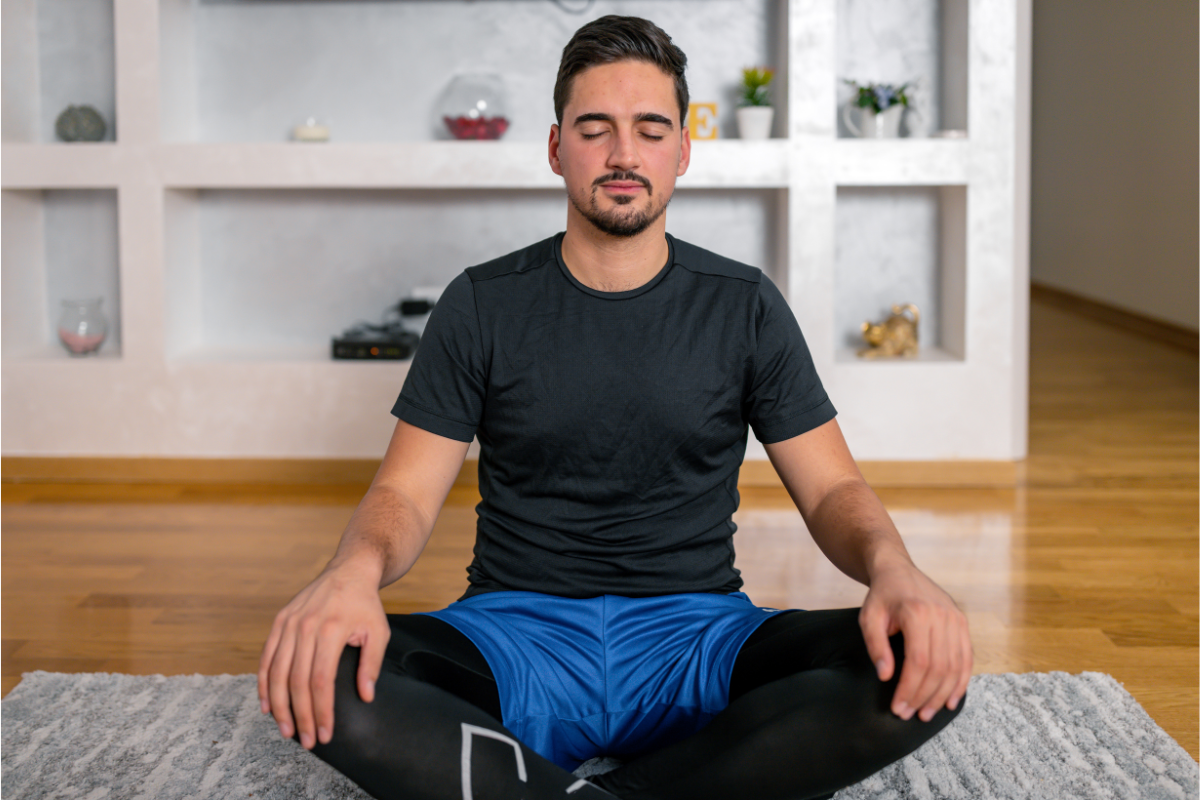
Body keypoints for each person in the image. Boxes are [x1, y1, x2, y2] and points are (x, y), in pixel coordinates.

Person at [258, 15, 971, 800]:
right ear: (558, 147)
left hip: (699, 641)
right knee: (332, 673)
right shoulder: (480, 303)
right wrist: (349, 574)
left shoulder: (745, 307)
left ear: (684, 151)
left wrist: (897, 571)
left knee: (916, 663)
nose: (624, 154)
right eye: (595, 130)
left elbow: (833, 490)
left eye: (650, 129)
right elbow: (403, 493)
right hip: (512, 639)